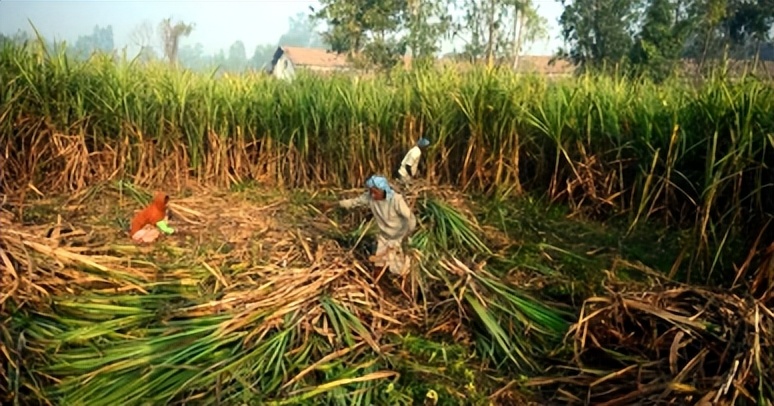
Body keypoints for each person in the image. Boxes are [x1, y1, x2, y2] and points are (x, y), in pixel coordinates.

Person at [337, 175, 417, 275]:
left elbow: (410, 217)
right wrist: (338, 203)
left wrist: (407, 234)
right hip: (384, 236)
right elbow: (355, 202)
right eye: (371, 192)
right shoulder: (370, 197)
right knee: (379, 264)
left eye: (375, 192)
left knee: (400, 269)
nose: (373, 195)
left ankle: (400, 281)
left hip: (398, 237)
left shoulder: (396, 200)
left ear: (383, 190)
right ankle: (379, 281)